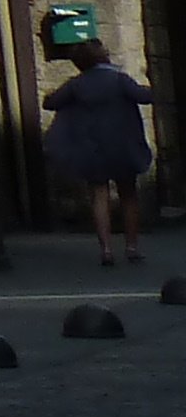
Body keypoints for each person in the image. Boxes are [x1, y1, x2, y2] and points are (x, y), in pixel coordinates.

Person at [44, 40, 159, 267]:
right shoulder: (119, 79)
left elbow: (51, 102)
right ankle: (132, 247)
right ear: (102, 56)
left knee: (99, 195)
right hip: (123, 145)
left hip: (93, 147)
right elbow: (144, 96)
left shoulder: (76, 85)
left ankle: (106, 249)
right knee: (128, 194)